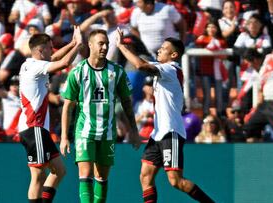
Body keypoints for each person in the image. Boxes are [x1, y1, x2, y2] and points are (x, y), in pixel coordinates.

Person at [116, 28, 215, 203]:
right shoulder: (165, 70)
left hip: (171, 131)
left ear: (174, 55)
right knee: (145, 176)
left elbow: (140, 66)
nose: (159, 50)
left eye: (164, 48)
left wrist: (121, 46)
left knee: (175, 181)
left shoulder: (170, 68)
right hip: (158, 133)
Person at [60, 29, 141, 203]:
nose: (104, 47)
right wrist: (64, 137)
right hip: (84, 131)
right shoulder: (78, 71)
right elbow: (68, 106)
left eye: (107, 44)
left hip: (108, 132)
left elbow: (127, 103)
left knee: (102, 177)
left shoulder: (117, 72)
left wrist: (134, 130)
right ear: (90, 45)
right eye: (101, 43)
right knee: (85, 173)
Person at [18, 27, 83, 203]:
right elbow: (62, 63)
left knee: (59, 170)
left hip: (39, 129)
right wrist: (78, 46)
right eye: (49, 47)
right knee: (38, 174)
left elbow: (54, 58)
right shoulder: (35, 67)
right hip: (34, 127)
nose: (52, 51)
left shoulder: (29, 64)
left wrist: (71, 44)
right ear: (40, 50)